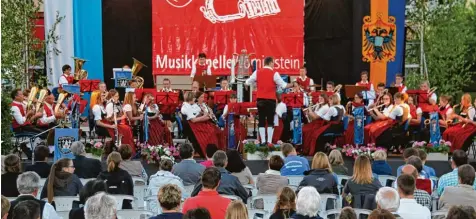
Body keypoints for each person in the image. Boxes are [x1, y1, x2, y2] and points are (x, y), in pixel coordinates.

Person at [245, 56, 293, 146]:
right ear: (270, 63)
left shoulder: (257, 72)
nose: (273, 65)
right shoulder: (274, 73)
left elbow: (248, 82)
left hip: (260, 99)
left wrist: (254, 83)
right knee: (270, 121)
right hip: (270, 100)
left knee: (262, 120)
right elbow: (283, 85)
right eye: (273, 63)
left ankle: (263, 141)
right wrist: (293, 84)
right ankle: (269, 142)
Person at [181, 92, 223, 157]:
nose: (194, 99)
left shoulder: (191, 105)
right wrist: (205, 116)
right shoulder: (186, 107)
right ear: (191, 99)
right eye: (194, 98)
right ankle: (208, 153)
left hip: (196, 123)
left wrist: (205, 114)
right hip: (192, 125)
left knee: (215, 130)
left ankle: (215, 151)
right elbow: (193, 120)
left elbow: (197, 115)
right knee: (211, 132)